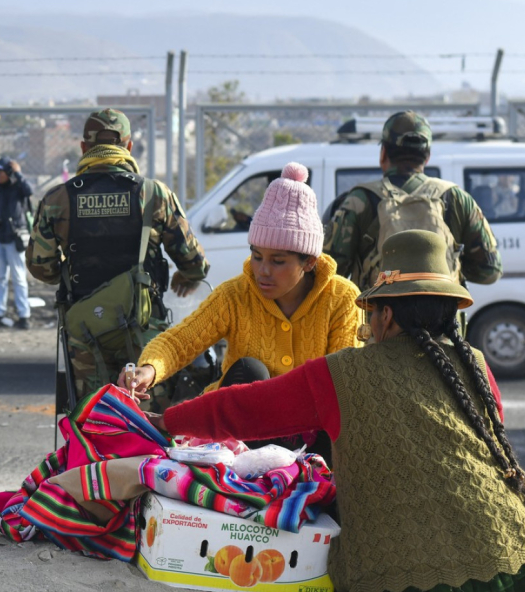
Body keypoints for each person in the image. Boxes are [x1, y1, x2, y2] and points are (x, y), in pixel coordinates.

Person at [146, 230, 525, 592]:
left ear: (386, 315)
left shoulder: (343, 373)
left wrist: (167, 421)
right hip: (520, 552)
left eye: (371, 314)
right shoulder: (475, 364)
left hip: (414, 578)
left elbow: (241, 408)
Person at [122, 163, 359, 442]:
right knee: (250, 370)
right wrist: (149, 369)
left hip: (310, 435)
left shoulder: (342, 299)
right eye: (257, 256)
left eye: (278, 261)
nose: (262, 270)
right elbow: (181, 340)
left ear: (309, 262)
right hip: (243, 436)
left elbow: (344, 385)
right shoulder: (236, 294)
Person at [27, 108, 209, 408]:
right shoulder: (153, 194)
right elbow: (194, 261)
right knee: (149, 426)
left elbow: (41, 266)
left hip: (84, 332)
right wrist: (186, 277)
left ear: (84, 147)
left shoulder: (58, 199)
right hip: (144, 330)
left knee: (94, 422)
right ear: (128, 146)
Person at [324, 110, 502, 291]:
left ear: (383, 153)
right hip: (444, 317)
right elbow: (490, 270)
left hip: (379, 317)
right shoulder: (458, 199)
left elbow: (328, 270)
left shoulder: (358, 200)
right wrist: (448, 266)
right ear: (427, 156)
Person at [0, 156, 33, 329]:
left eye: (0, 171)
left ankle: (24, 316)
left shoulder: (18, 186)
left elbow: (29, 191)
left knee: (18, 277)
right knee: (0, 278)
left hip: (14, 237)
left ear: (8, 172)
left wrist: (19, 173)